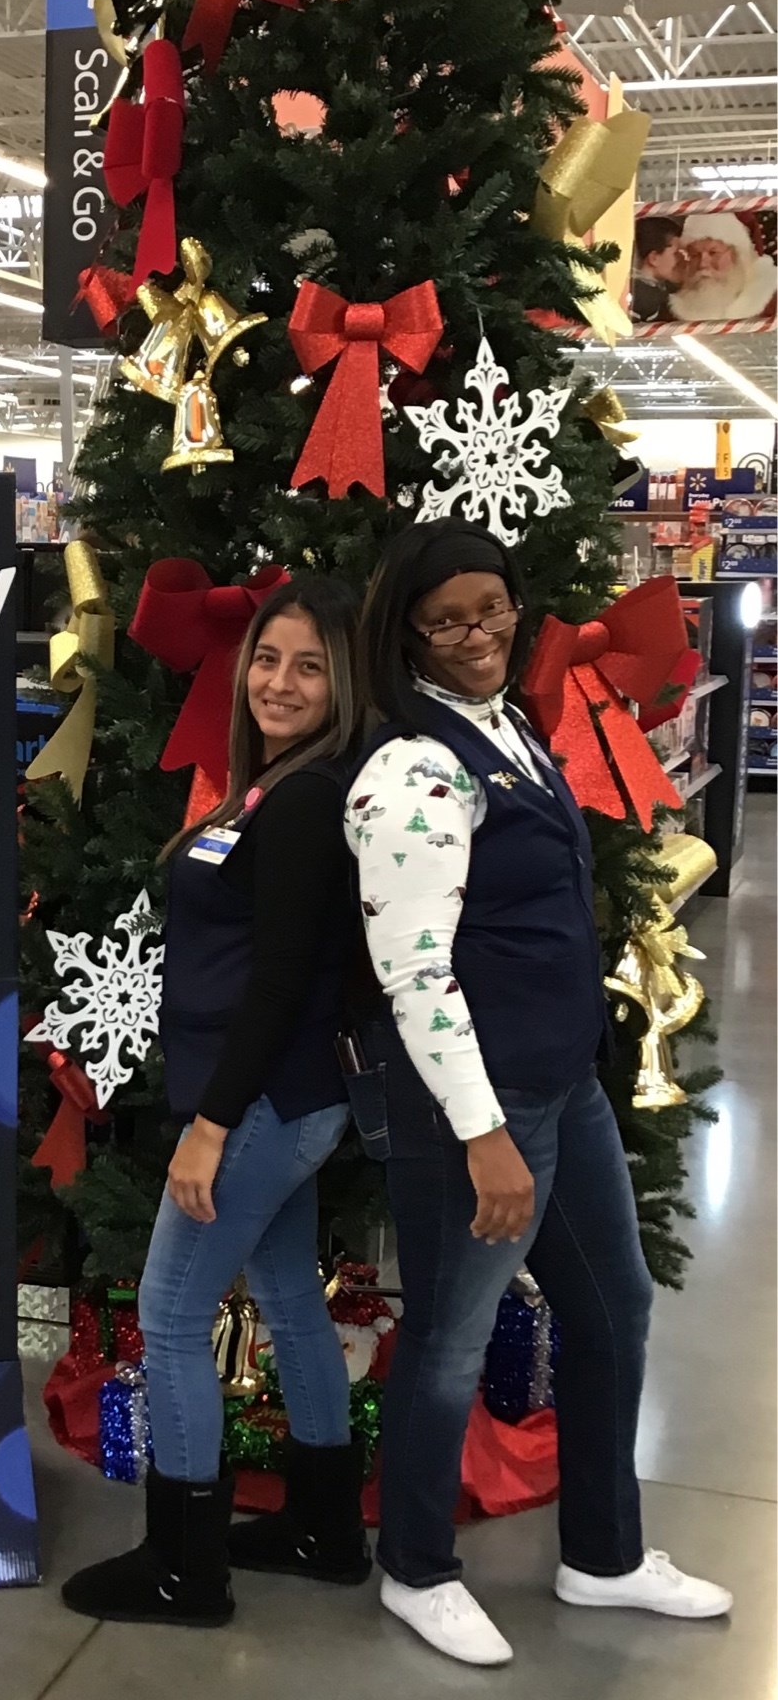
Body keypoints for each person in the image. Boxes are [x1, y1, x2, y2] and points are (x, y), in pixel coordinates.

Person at [346, 521, 731, 1668]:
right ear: (405, 632)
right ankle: (415, 1566)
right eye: (446, 620)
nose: (476, 634)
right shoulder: (411, 767)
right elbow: (413, 972)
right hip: (475, 1106)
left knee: (611, 1305)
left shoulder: (503, 722)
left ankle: (601, 1554)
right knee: (450, 1335)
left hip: (559, 1083)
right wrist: (481, 1134)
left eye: (492, 608)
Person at [62, 576, 370, 1628]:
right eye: (267, 659)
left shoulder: (308, 798)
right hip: (281, 1101)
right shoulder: (270, 787)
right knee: (286, 1293)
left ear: (343, 682)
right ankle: (324, 1529)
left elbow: (278, 984)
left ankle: (181, 1567)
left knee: (171, 1312)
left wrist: (209, 1126)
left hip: (261, 1105)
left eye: (309, 666)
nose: (278, 682)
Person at [630, 215, 686, 322]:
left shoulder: (661, 289)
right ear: (654, 258)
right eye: (676, 253)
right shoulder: (644, 300)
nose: (682, 258)